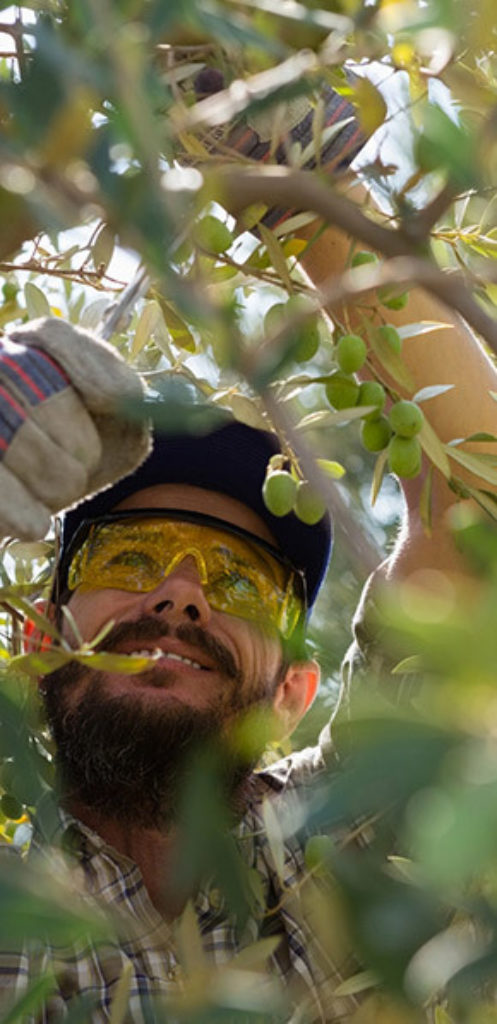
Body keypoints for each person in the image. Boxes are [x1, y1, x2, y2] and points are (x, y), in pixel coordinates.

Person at [0, 88, 497, 1024]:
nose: (182, 593)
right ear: (38, 636)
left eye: (238, 583)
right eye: (132, 556)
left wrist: (310, 202)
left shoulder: (348, 845)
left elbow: (477, 502)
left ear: (291, 697)